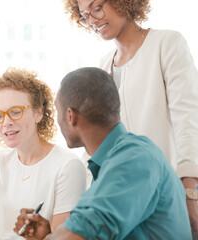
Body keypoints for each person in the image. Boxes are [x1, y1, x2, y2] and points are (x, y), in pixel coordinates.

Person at [62, 0, 198, 236]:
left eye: (97, 8)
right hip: (124, 197)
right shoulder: (104, 65)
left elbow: (188, 117)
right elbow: (102, 140)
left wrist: (190, 189)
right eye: (84, 15)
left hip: (165, 192)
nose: (92, 20)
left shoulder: (166, 43)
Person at [14, 67, 191, 239]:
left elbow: (79, 235)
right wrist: (48, 236)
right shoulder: (114, 161)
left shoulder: (133, 159)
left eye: (58, 111)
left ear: (70, 116)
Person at [0, 67, 86, 233]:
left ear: (38, 113)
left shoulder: (68, 166)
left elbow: (64, 238)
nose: (6, 122)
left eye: (15, 112)